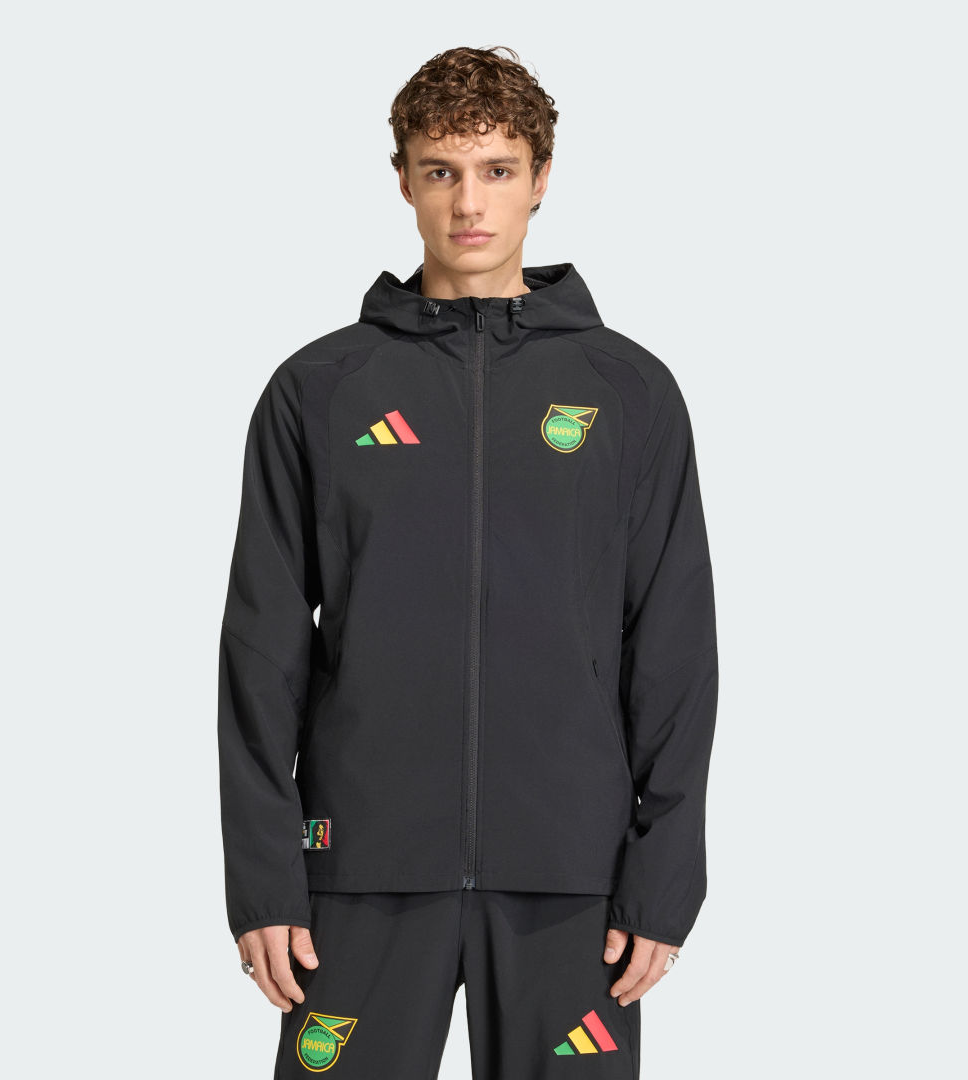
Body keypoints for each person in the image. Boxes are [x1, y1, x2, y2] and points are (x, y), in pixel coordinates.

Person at [217, 45, 719, 1078]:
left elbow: (673, 646)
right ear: (403, 179)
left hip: (571, 877)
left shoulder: (630, 391)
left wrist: (664, 871)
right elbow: (261, 650)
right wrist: (265, 876)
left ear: (542, 177)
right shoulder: (320, 389)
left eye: (497, 169)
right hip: (358, 869)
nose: (469, 202)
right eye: (441, 170)